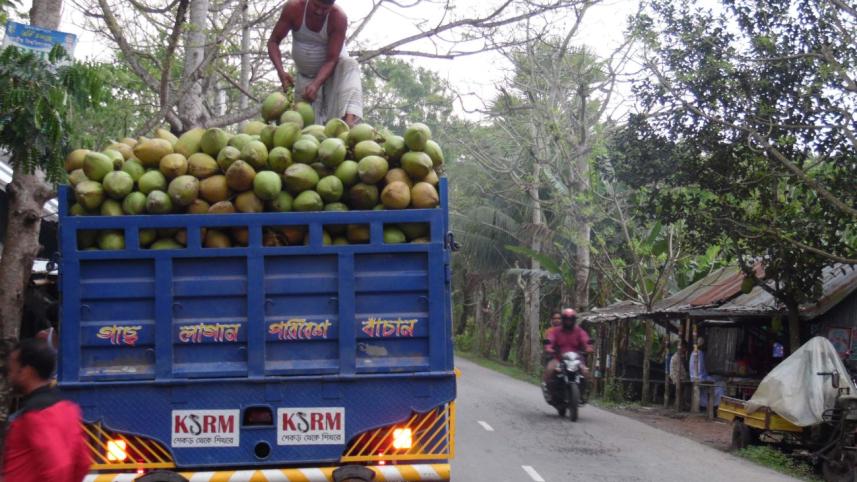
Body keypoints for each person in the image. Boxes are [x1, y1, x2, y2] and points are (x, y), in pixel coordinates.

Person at [3, 339, 91, 482]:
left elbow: (59, 467)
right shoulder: (69, 409)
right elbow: (82, 462)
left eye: (12, 368)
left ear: (26, 371)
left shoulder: (36, 415)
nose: (9, 375)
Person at [268, 0, 363, 126]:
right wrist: (281, 72)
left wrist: (316, 83)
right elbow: (273, 42)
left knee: (350, 64)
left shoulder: (338, 17)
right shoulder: (294, 8)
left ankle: (349, 123)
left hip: (332, 74)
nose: (319, 11)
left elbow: (331, 60)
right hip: (305, 76)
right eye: (316, 6)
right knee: (307, 127)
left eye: (325, 9)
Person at [542, 308, 593, 401]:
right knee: (549, 369)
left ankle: (585, 392)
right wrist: (549, 347)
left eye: (570, 319)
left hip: (576, 359)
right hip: (559, 357)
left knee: (586, 372)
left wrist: (588, 347)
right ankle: (548, 390)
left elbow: (585, 339)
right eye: (566, 319)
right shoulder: (555, 331)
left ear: (574, 320)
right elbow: (550, 339)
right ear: (564, 320)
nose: (568, 322)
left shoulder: (579, 331)